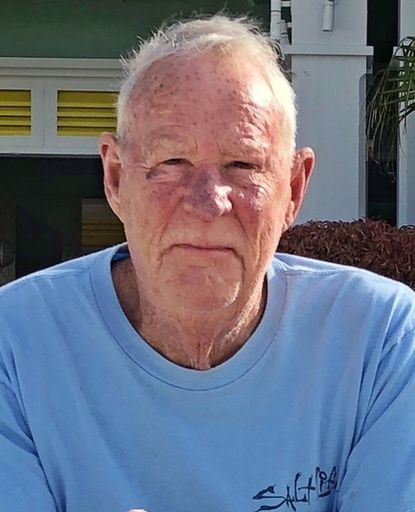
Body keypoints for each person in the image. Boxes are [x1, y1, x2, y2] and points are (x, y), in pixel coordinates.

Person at [0, 15, 414, 512]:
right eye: (171, 162)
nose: (207, 202)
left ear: (293, 189)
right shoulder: (15, 343)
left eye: (243, 165)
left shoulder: (380, 339)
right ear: (115, 179)